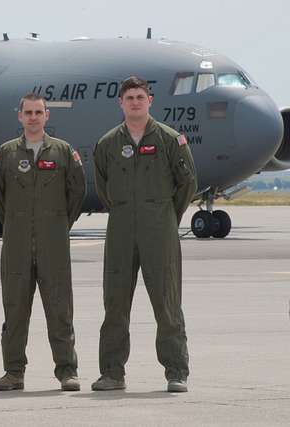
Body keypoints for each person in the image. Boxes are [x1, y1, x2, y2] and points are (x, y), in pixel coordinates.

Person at [92, 76, 197, 393]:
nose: (135, 102)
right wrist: (126, 210)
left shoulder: (169, 140)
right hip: (121, 228)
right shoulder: (108, 144)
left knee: (167, 303)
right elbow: (103, 186)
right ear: (120, 103)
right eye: (129, 98)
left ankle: (176, 371)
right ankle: (112, 372)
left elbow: (187, 183)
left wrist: (164, 215)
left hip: (159, 229)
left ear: (150, 100)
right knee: (115, 303)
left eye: (140, 96)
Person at [0, 93, 86, 391]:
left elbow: (76, 193)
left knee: (60, 310)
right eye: (27, 112)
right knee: (14, 310)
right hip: (15, 246)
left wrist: (55, 224)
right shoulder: (6, 154)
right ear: (19, 116)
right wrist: (16, 222)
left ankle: (67, 370)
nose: (33, 117)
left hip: (53, 245)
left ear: (46, 116)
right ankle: (13, 372)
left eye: (38, 112)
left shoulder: (63, 152)